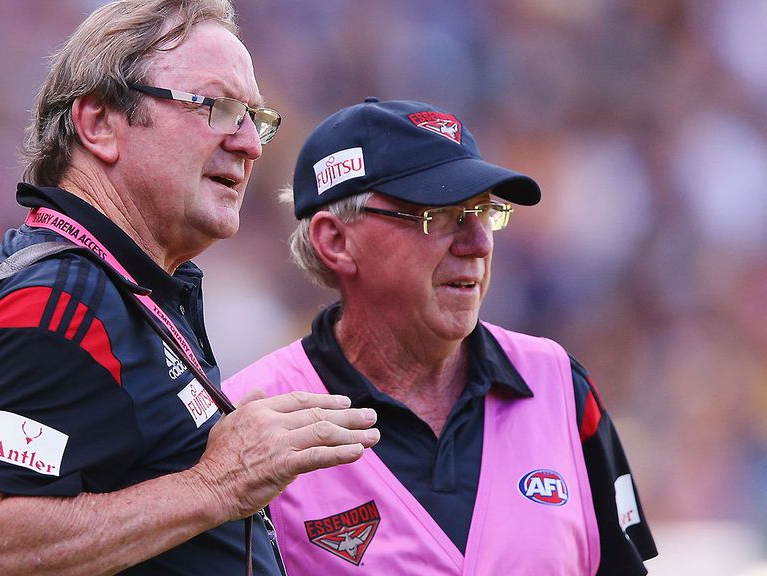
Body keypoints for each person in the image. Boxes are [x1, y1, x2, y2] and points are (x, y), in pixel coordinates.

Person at [0, 2, 380, 575]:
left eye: (253, 118)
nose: (250, 145)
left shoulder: (109, 285)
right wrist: (219, 482)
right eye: (216, 108)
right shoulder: (61, 300)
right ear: (100, 124)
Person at [221, 98, 658, 574]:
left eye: (484, 212)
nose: (479, 243)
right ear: (336, 241)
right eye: (441, 215)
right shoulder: (248, 418)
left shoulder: (560, 386)